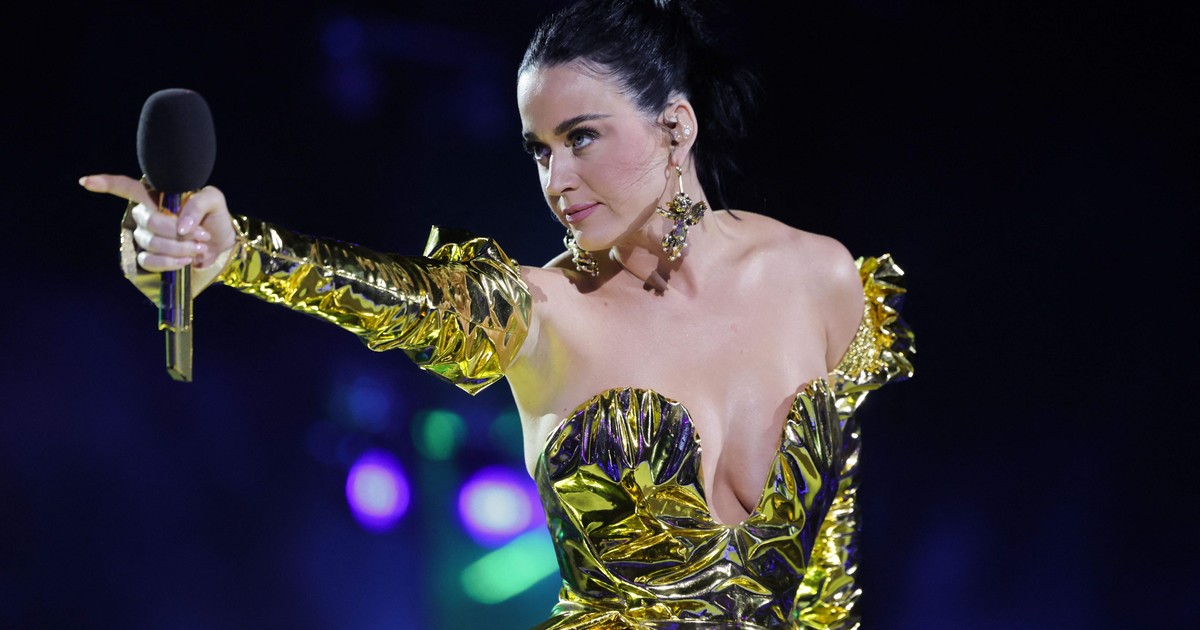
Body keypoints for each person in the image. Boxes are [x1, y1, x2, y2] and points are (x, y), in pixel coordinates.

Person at [81, 0, 914, 627]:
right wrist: (239, 252)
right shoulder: (545, 311)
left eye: (580, 137)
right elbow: (401, 298)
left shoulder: (820, 278)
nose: (556, 180)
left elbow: (827, 564)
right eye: (538, 150)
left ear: (676, 126)